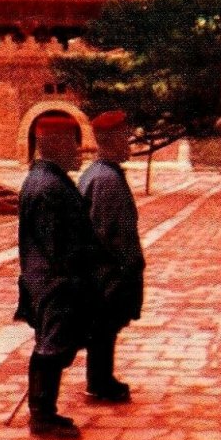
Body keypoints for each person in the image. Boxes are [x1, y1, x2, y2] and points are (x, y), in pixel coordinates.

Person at [15, 116, 98, 440]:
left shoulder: (47, 179)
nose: (79, 152)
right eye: (73, 144)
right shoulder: (47, 185)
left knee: (53, 344)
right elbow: (56, 244)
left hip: (51, 279)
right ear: (56, 145)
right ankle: (42, 417)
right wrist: (79, 274)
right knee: (52, 346)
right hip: (55, 281)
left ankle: (44, 411)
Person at [78, 110, 144, 403]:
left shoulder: (99, 173)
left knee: (107, 326)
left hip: (103, 268)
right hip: (108, 270)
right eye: (124, 138)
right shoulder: (106, 180)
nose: (129, 144)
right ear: (111, 140)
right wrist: (125, 267)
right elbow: (109, 231)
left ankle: (102, 377)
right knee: (104, 325)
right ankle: (100, 382)